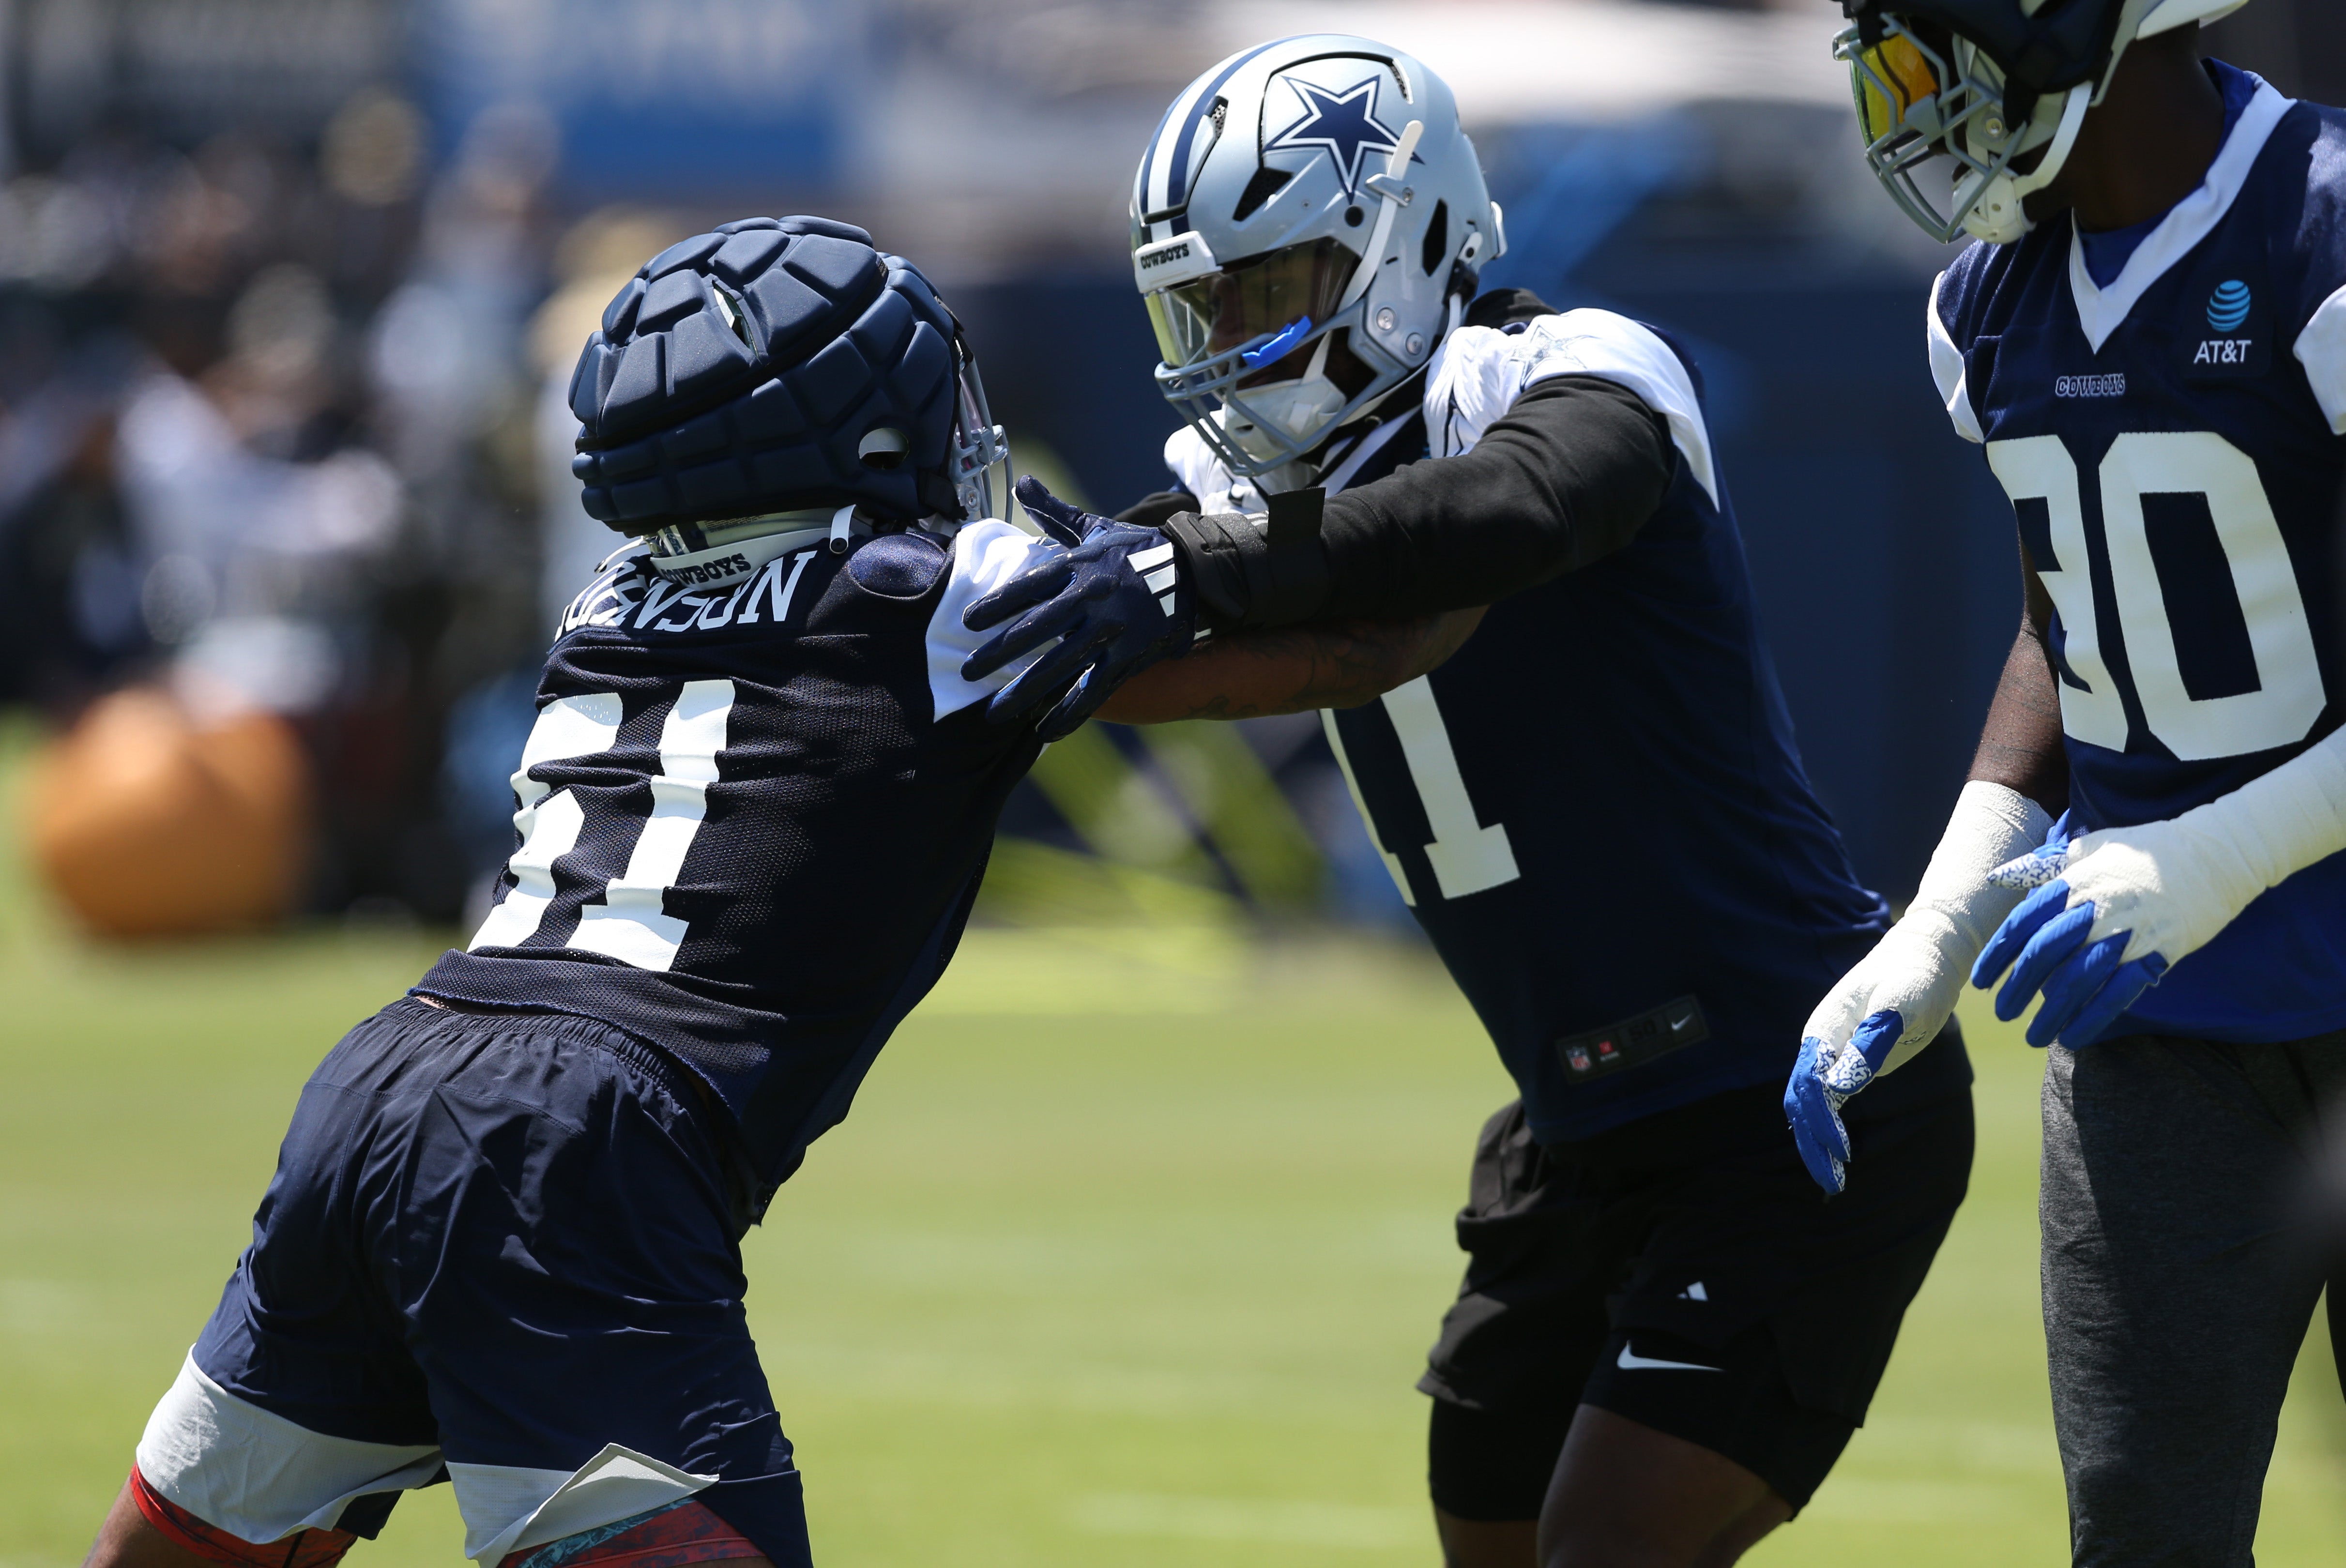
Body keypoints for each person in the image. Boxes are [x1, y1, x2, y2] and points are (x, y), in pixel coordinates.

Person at [960, 36, 1976, 1568]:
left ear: (1406, 237)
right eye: (1210, 302)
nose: (1236, 337)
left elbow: (1494, 523)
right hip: (1579, 1126)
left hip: (1787, 1096)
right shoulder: (1251, 505)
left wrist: (1186, 564)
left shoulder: (1571, 372)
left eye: (1272, 286)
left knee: (1607, 1546)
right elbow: (1276, 628)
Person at [81, 218, 1193, 1568]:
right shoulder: (944, 594)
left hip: (382, 1083)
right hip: (584, 1136)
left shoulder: (604, 602)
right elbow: (1286, 651)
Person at [1794, 1, 2346, 1560]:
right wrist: (1936, 926)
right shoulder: (1986, 295)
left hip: (2231, 927)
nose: (1912, 92)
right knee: (2141, 1527)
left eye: (1935, 40)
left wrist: (2212, 854)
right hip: (2158, 1016)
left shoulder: (2324, 228)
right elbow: (2071, 618)